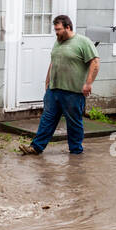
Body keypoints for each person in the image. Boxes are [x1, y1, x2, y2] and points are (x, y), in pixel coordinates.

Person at [19, 15, 99, 156]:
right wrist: (47, 80)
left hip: (73, 91)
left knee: (73, 123)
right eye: (55, 29)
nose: (56, 32)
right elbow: (53, 61)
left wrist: (88, 83)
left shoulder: (83, 42)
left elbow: (95, 63)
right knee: (47, 119)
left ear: (68, 27)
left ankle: (75, 151)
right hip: (54, 90)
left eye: (58, 29)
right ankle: (36, 147)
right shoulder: (58, 42)